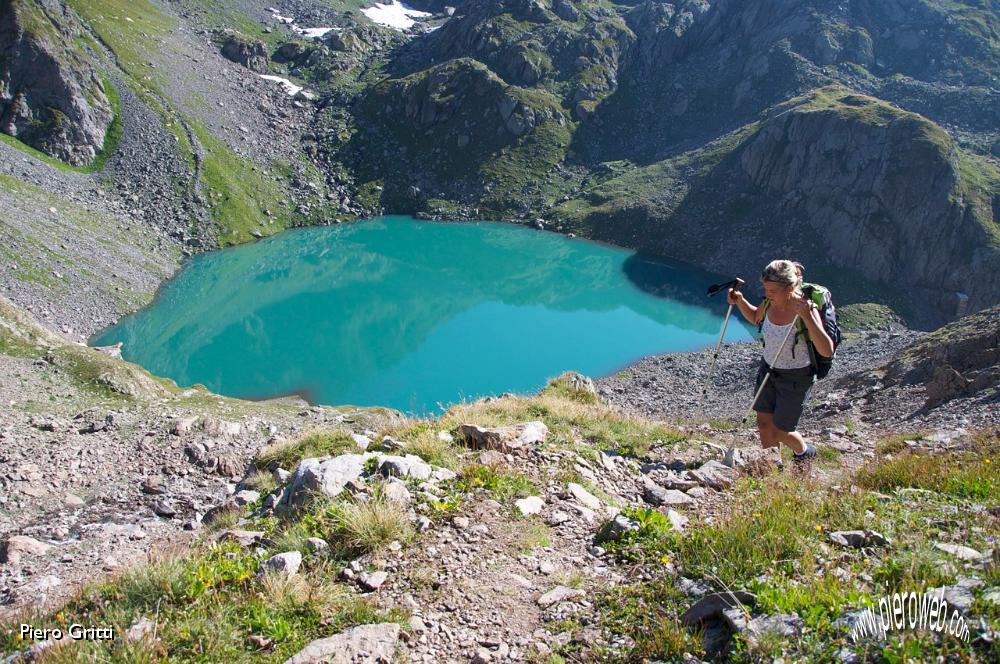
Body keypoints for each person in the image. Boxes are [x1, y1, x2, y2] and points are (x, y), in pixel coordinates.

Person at [727, 259, 834, 463]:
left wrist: (807, 317)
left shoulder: (804, 308)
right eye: (766, 289)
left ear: (790, 287)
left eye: (773, 290)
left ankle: (804, 451)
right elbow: (755, 317)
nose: (767, 294)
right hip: (768, 369)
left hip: (796, 376)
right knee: (764, 424)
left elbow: (826, 350)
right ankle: (773, 468)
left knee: (781, 430)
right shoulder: (770, 302)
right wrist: (739, 300)